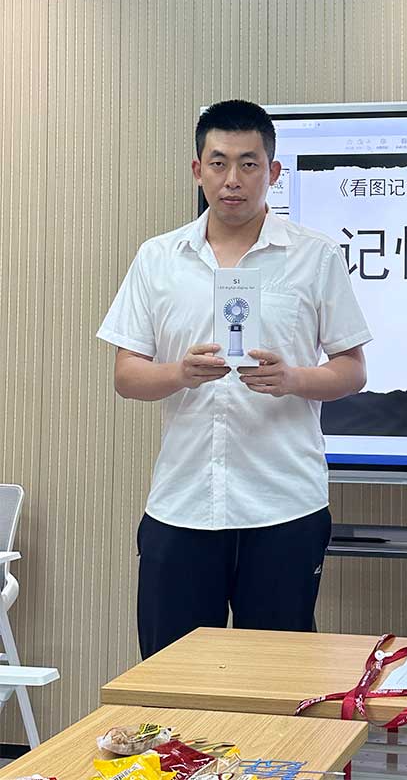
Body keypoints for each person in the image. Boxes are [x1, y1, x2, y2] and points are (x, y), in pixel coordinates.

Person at [98, 99, 371, 658]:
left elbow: (352, 370)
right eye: (219, 163)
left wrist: (292, 379)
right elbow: (127, 375)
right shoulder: (158, 258)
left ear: (274, 172)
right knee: (171, 680)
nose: (233, 180)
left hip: (283, 505)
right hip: (182, 503)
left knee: (276, 680)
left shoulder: (315, 256)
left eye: (249, 164)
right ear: (197, 170)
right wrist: (179, 373)